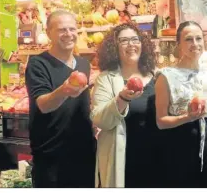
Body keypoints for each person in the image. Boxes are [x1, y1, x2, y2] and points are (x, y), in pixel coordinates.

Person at [25, 10, 96, 187]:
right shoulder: (38, 64)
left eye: (72, 29)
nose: (69, 34)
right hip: (51, 154)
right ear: (49, 32)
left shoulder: (83, 64)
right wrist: (63, 91)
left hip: (84, 151)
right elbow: (42, 104)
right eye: (62, 29)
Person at [154, 21, 207, 187]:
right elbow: (161, 121)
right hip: (178, 146)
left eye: (199, 39)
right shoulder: (166, 76)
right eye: (189, 39)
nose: (195, 44)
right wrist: (187, 117)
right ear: (179, 44)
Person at [90, 23, 158, 187]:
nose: (131, 44)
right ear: (115, 47)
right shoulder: (105, 79)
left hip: (156, 155)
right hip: (124, 157)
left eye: (135, 39)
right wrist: (121, 99)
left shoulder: (158, 76)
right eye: (124, 41)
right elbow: (100, 119)